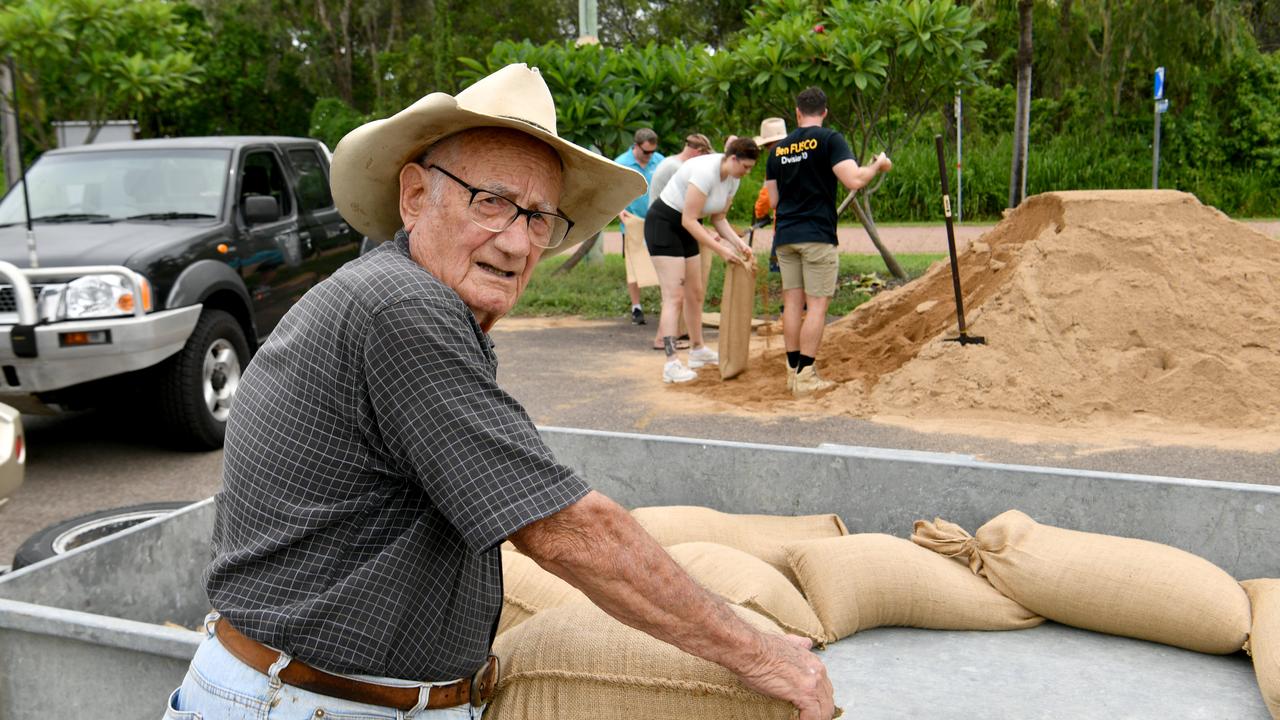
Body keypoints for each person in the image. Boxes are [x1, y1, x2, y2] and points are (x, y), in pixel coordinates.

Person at [167, 64, 834, 720]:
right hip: (306, 704)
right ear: (413, 196)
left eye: (539, 217)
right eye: (490, 202)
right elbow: (565, 529)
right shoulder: (400, 306)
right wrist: (761, 654)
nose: (517, 243)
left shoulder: (401, 295)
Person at [766, 87, 891, 397]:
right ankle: (806, 376)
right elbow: (854, 180)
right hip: (817, 235)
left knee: (793, 304)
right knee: (818, 305)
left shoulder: (778, 150)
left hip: (786, 237)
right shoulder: (829, 140)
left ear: (796, 113)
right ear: (824, 111)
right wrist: (878, 166)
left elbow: (773, 201)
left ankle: (792, 371)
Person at [645, 137, 759, 383]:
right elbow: (689, 219)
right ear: (732, 158)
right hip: (664, 224)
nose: (747, 173)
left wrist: (739, 245)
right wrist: (721, 250)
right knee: (673, 296)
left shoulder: (733, 179)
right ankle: (671, 363)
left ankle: (698, 350)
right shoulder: (705, 171)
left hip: (687, 227)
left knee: (695, 292)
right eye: (745, 167)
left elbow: (719, 218)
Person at [644, 132, 712, 350]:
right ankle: (663, 342)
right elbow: (689, 207)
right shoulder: (677, 167)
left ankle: (679, 339)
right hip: (666, 229)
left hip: (676, 227)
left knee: (678, 294)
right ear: (697, 151)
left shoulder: (673, 163)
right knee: (673, 294)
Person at [614, 128, 665, 325]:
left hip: (657, 220)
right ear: (636, 146)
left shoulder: (660, 161)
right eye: (646, 152)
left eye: (652, 152)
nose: (649, 156)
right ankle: (636, 307)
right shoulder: (622, 163)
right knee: (634, 264)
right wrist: (619, 211)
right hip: (632, 221)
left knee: (662, 262)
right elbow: (614, 192)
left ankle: (665, 304)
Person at [751, 117, 789, 271]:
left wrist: (760, 214)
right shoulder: (800, 155)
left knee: (778, 266)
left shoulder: (774, 162)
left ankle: (776, 269)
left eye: (767, 145)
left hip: (784, 223)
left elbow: (766, 196)